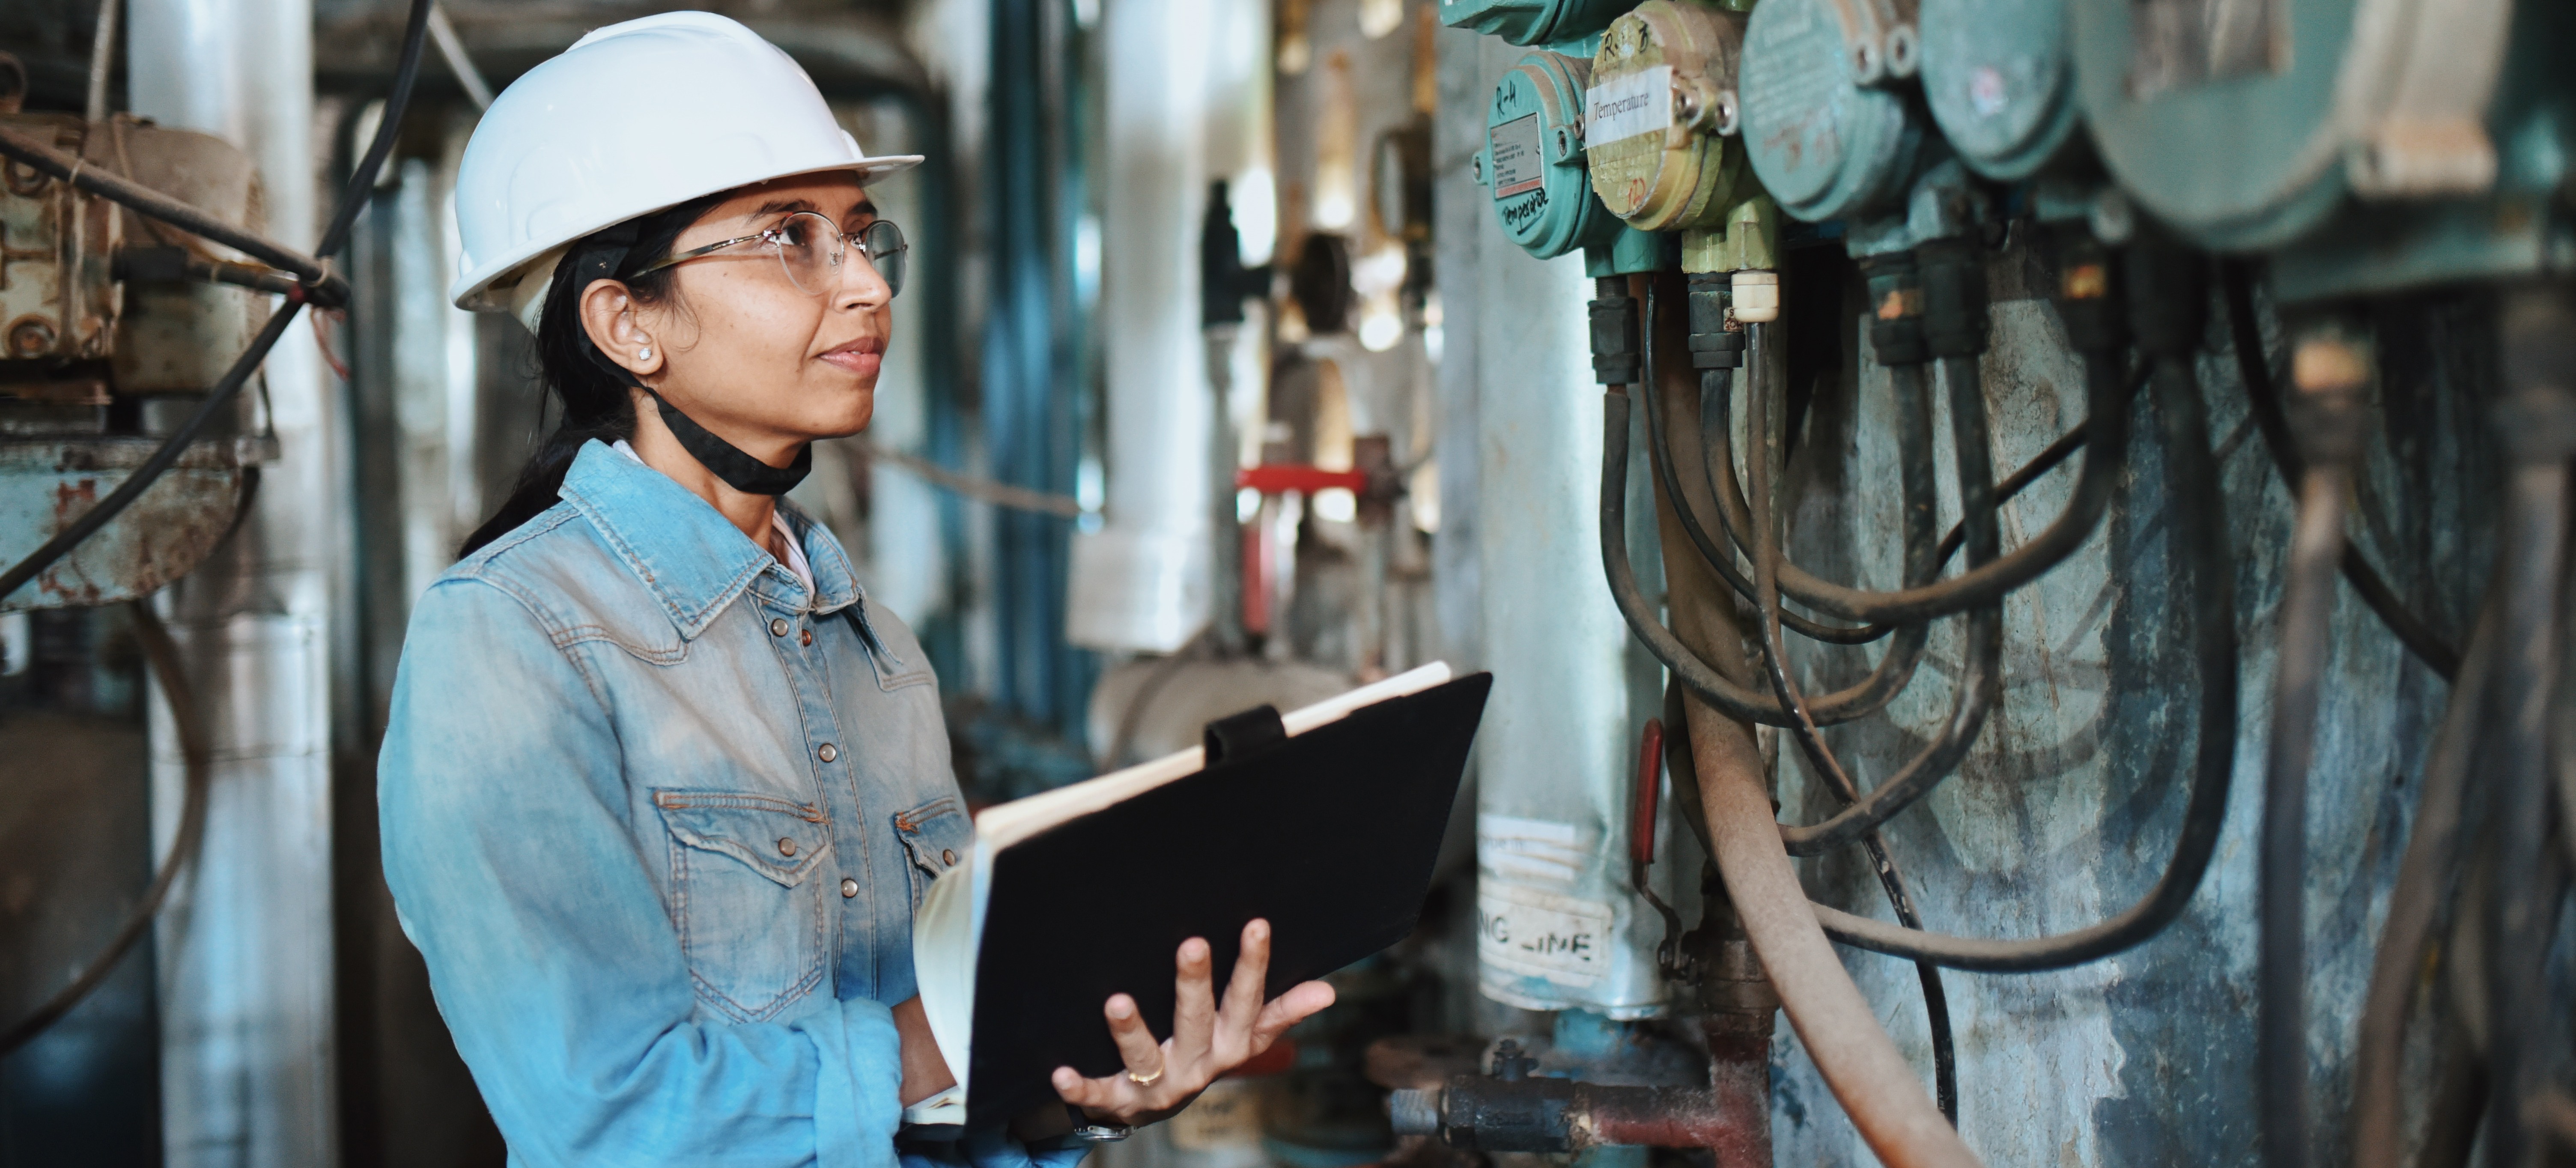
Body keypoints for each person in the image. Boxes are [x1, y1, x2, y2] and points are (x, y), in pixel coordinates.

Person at [376, 14, 1333, 1167]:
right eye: (790, 238)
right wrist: (960, 1040)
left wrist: (1078, 1089)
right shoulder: (511, 640)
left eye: (863, 237)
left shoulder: (870, 641)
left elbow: (944, 1110)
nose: (867, 285)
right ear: (627, 324)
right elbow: (609, 1117)